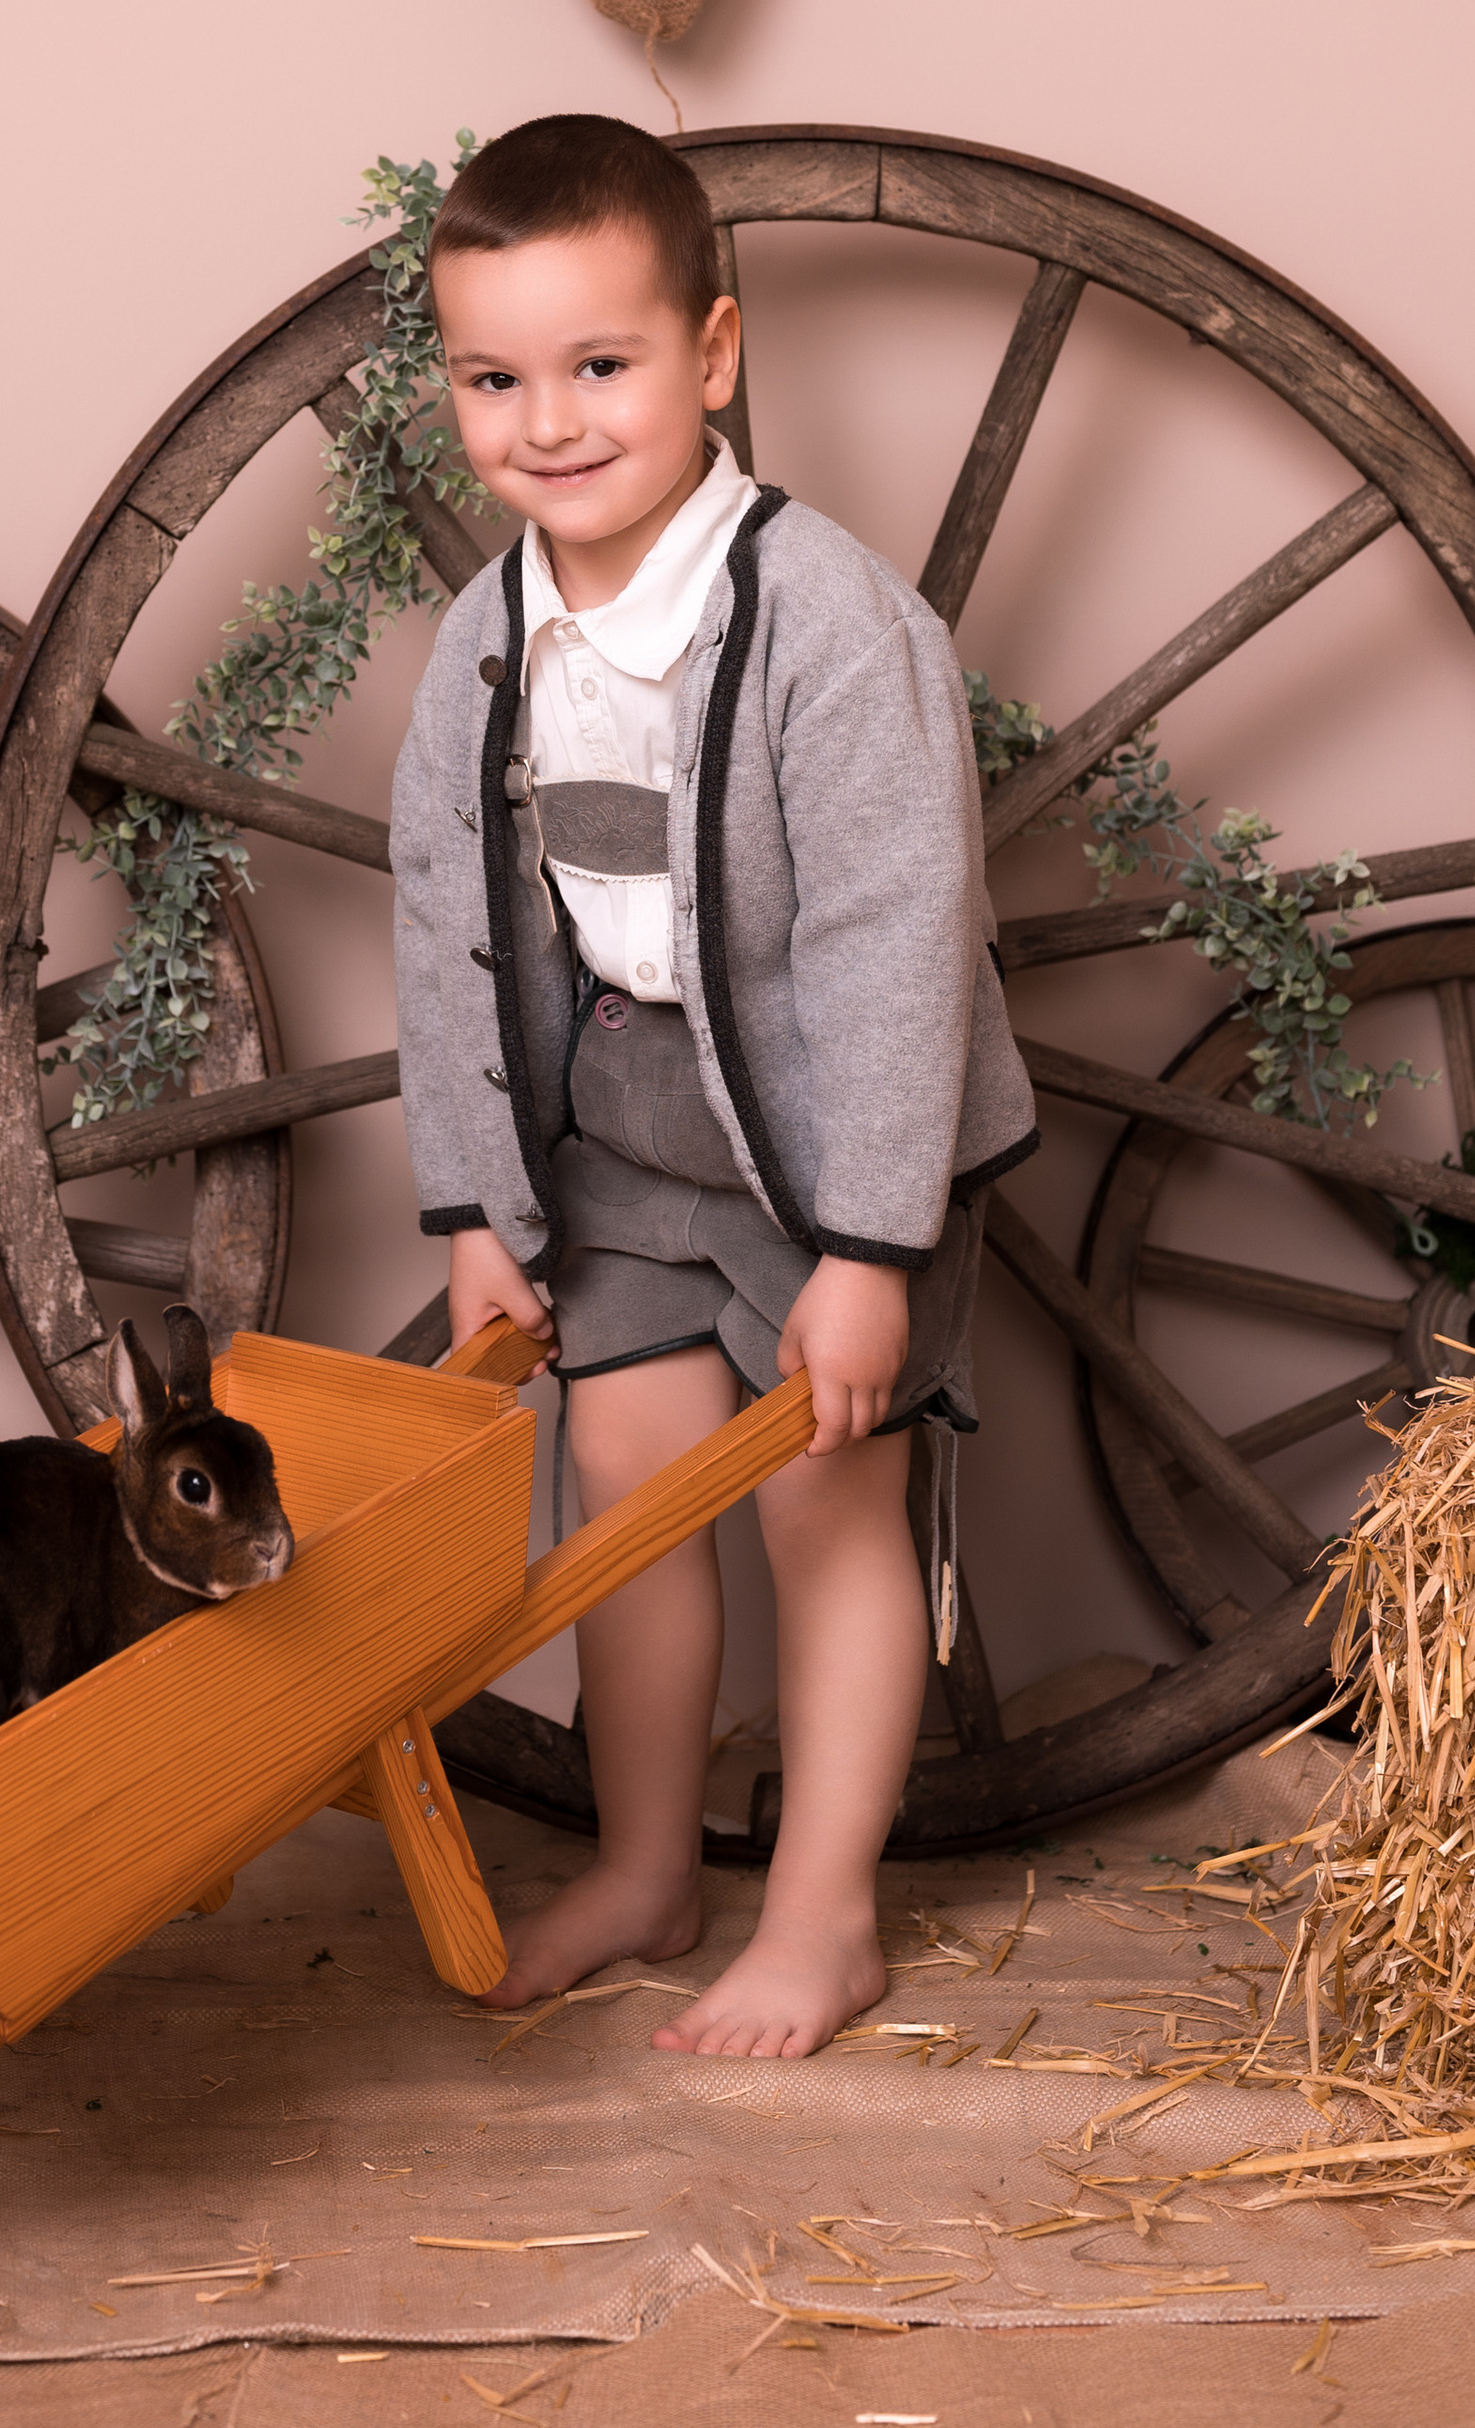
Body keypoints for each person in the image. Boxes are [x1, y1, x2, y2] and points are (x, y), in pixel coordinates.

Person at [391, 114, 1037, 2059]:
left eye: (602, 365)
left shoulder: (827, 625)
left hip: (839, 1137)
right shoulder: (487, 641)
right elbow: (444, 927)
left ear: (715, 353)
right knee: (623, 1492)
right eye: (495, 380)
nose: (550, 422)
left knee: (825, 1496)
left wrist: (866, 1247)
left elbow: (892, 941)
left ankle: (822, 1910)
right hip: (631, 1136)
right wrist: (472, 1206)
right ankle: (648, 1856)